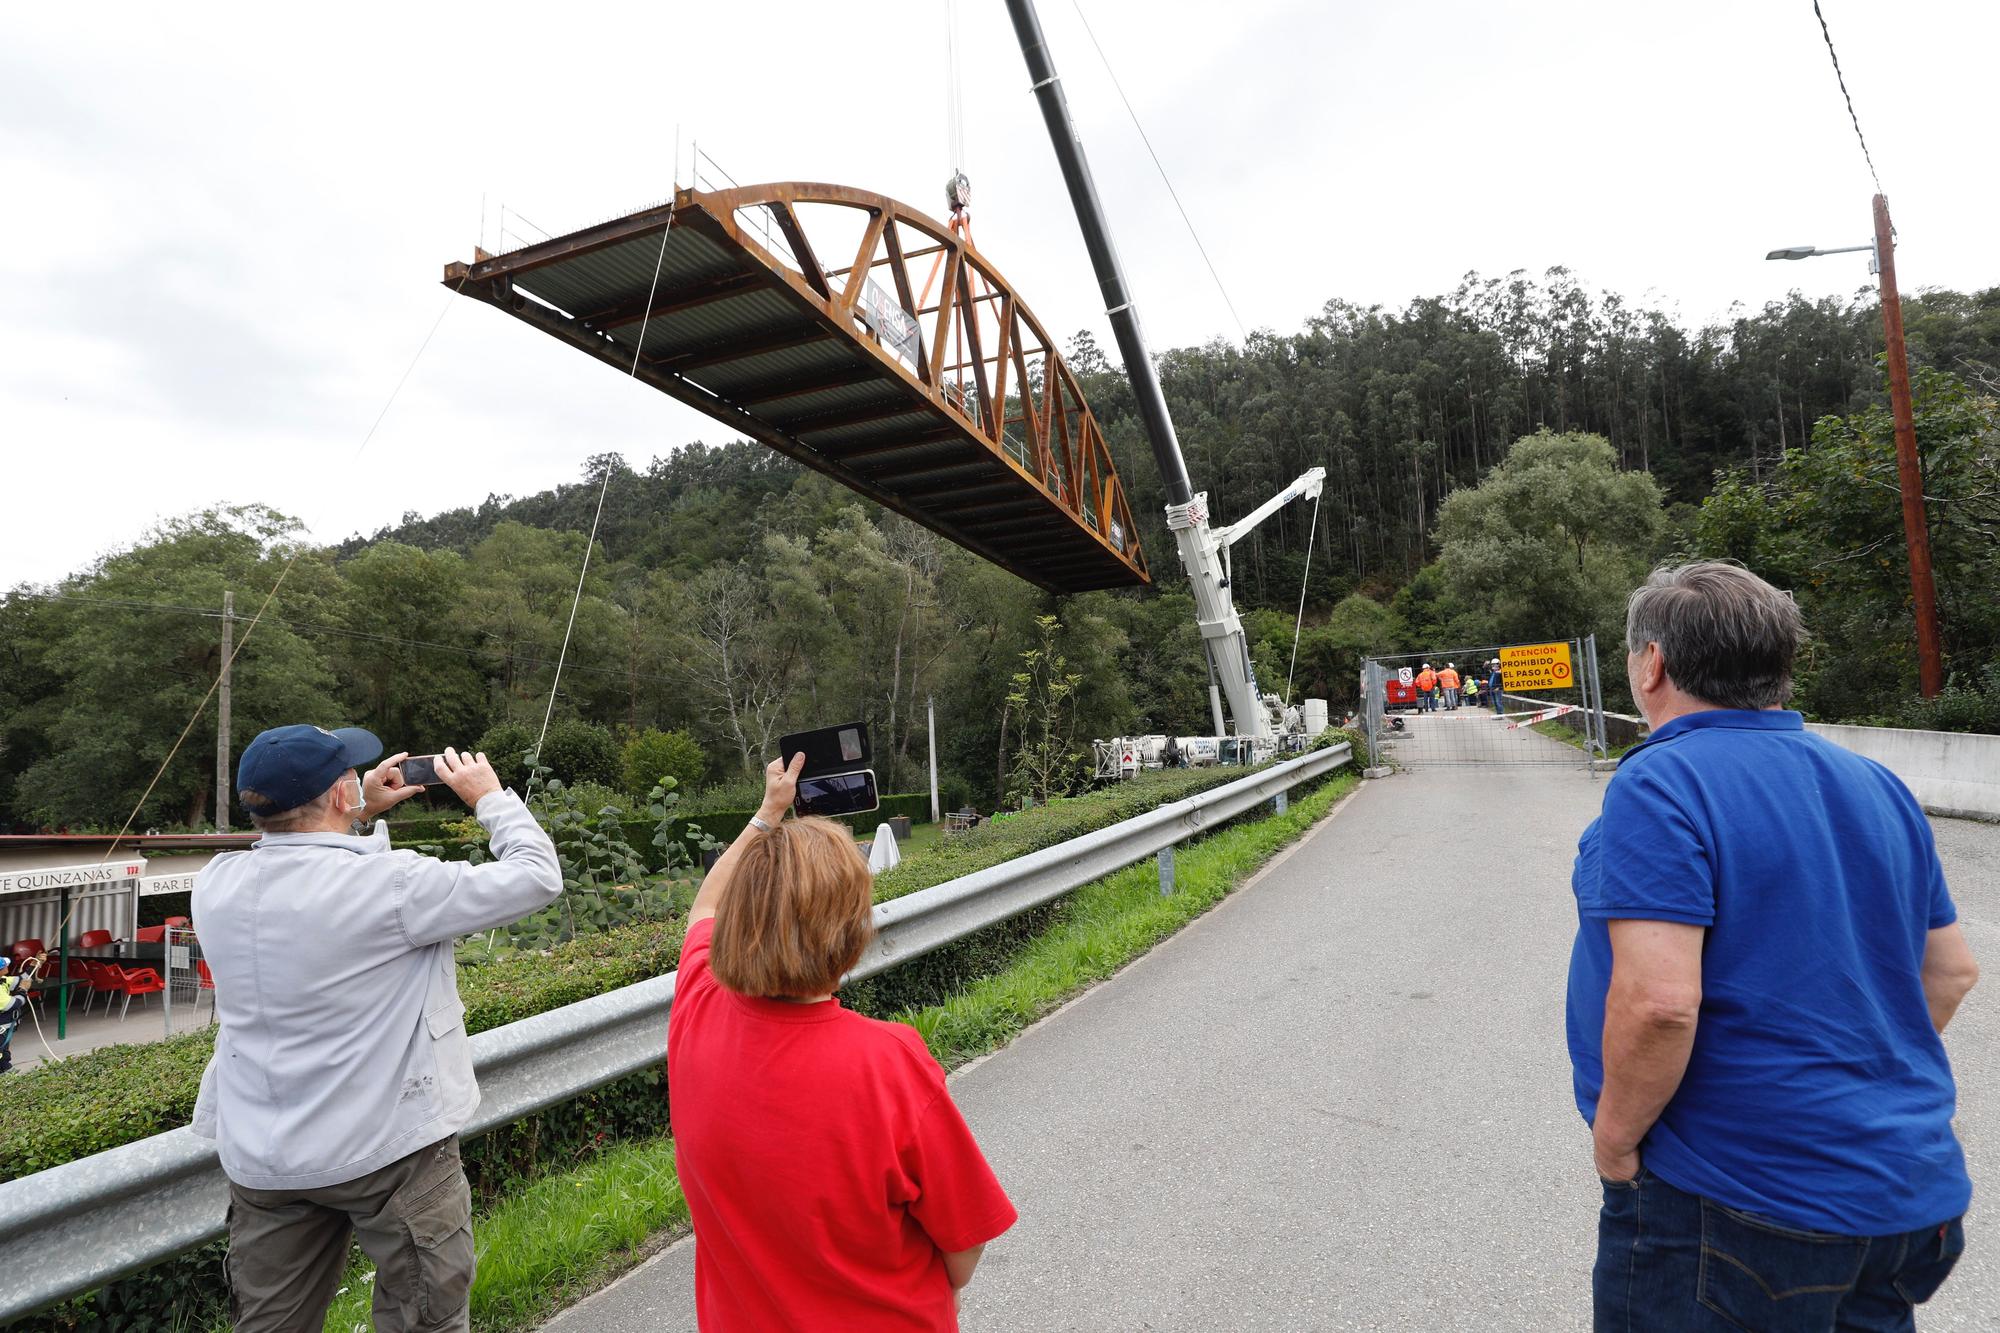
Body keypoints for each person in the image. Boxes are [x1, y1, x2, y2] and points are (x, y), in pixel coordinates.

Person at [1569, 563, 1978, 1330]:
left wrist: (1616, 1142)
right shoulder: (1875, 783)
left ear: (1650, 663)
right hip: (1903, 1197)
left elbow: (1659, 1002)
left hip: (1738, 1201)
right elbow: (1951, 972)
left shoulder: (1662, 782)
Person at [192, 727, 563, 1332]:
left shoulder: (216, 884)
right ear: (340, 793)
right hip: (390, 1149)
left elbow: (299, 864)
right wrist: (490, 797)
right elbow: (537, 876)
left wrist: (354, 812)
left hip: (266, 1157)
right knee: (424, 1316)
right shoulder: (396, 885)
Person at [670, 753, 1017, 1330]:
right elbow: (963, 1245)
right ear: (851, 935)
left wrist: (767, 814)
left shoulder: (698, 1011)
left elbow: (704, 906)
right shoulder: (887, 1062)